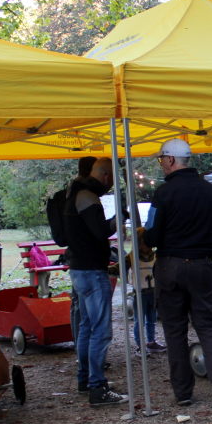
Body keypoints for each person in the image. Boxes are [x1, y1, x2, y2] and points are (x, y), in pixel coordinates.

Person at [144, 138, 212, 407]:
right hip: (201, 264)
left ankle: (183, 393)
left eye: (161, 160)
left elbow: (151, 235)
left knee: (174, 330)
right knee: (207, 328)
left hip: (170, 264)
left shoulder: (163, 193)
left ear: (170, 160)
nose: (161, 165)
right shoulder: (210, 192)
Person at [64, 156, 127, 405]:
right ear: (104, 175)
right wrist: (117, 220)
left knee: (87, 327)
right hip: (91, 270)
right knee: (100, 330)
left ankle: (85, 379)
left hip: (79, 269)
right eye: (110, 179)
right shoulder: (87, 197)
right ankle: (97, 387)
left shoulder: (74, 193)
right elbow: (100, 232)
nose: (110, 185)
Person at [128, 228, 165, 353]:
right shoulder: (132, 256)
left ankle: (151, 342)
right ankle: (140, 346)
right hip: (140, 294)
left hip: (153, 292)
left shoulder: (156, 255)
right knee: (139, 321)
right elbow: (118, 268)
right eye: (143, 242)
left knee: (152, 319)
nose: (145, 245)